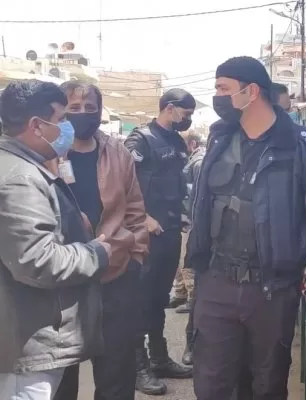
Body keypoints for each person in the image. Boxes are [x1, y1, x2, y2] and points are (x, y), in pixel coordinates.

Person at [185, 56, 306, 400]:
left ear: (251, 91)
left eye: (223, 89)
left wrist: (289, 260)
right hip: (217, 284)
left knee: (266, 385)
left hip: (270, 292)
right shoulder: (220, 140)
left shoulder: (305, 148)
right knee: (211, 384)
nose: (217, 97)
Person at [0, 79, 110, 399]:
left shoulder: (23, 166)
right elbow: (37, 261)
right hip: (28, 342)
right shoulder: (19, 178)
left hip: (28, 332)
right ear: (37, 125)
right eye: (61, 119)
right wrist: (96, 252)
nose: (67, 127)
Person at [51, 81, 149, 400]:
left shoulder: (116, 151)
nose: (83, 114)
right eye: (74, 108)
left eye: (90, 107)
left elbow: (135, 210)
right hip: (62, 282)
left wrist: (135, 255)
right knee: (60, 379)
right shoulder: (46, 153)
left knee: (116, 375)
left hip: (114, 276)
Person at [125, 88, 195, 395]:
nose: (188, 118)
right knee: (139, 301)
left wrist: (180, 214)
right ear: (170, 108)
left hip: (168, 231)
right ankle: (138, 368)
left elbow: (177, 184)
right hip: (145, 234)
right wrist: (142, 217)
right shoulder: (140, 140)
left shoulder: (177, 141)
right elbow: (122, 183)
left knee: (158, 300)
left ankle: (159, 357)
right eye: (186, 112)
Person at [171, 132, 204, 314]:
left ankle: (192, 299)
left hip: (191, 219)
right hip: (184, 217)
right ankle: (180, 293)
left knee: (186, 260)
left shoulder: (198, 163)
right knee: (179, 259)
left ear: (191, 144)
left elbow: (198, 195)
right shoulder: (190, 160)